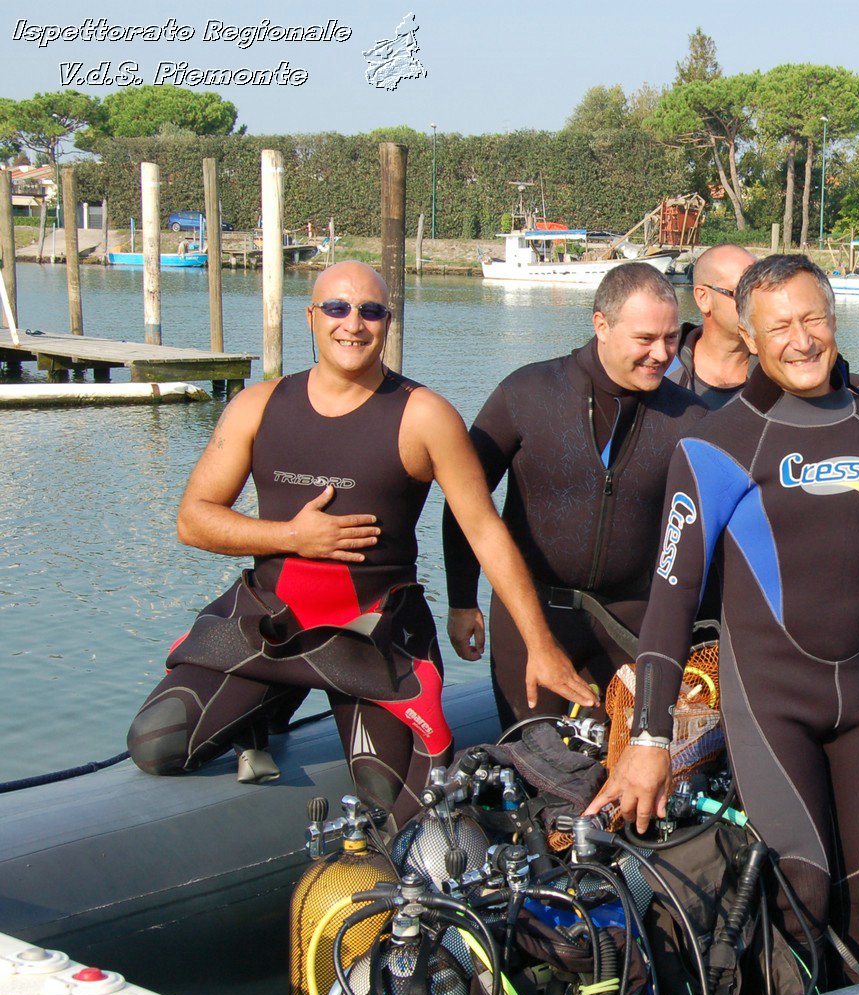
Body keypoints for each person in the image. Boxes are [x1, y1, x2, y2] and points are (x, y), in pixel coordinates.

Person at [589, 255, 859, 984]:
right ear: (749, 337)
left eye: (813, 318)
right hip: (769, 701)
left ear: (835, 319)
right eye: (779, 325)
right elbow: (671, 596)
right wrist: (650, 737)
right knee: (803, 889)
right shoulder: (714, 446)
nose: (800, 340)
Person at [126, 262, 591, 828]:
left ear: (387, 322)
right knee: (156, 743)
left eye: (370, 310)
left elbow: (485, 529)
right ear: (312, 318)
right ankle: (269, 700)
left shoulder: (424, 414)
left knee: (387, 798)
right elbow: (193, 520)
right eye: (337, 309)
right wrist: (293, 537)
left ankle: (282, 707)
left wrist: (538, 643)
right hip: (271, 624)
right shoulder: (259, 404)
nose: (354, 323)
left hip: (372, 637)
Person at [443, 263, 709, 728]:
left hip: (633, 617)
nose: (661, 354)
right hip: (532, 613)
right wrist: (461, 599)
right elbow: (466, 505)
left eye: (670, 338)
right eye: (645, 339)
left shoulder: (690, 417)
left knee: (629, 774)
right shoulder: (527, 393)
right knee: (532, 760)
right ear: (601, 325)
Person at [667, 244, 758, 410]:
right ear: (703, 298)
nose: (756, 304)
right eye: (743, 293)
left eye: (760, 292)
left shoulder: (777, 374)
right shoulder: (662, 366)